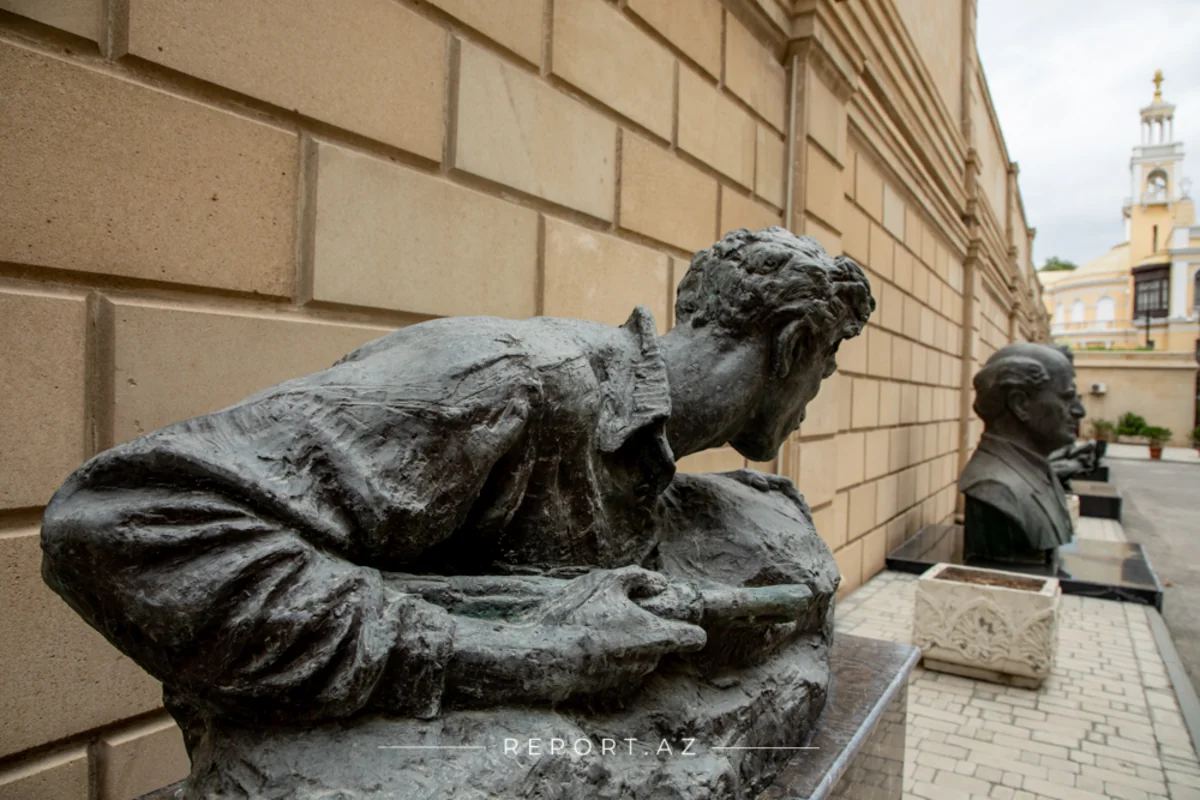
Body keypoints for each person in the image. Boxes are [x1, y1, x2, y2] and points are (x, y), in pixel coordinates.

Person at [41, 227, 874, 740]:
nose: (811, 403)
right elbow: (119, 523)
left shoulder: (659, 465)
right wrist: (513, 655)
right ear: (798, 346)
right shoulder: (504, 377)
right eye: (826, 367)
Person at [959, 343, 1086, 571]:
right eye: (1067, 397)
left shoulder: (1039, 471)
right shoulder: (995, 486)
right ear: (1020, 404)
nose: (1079, 411)